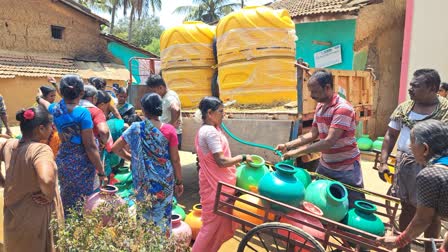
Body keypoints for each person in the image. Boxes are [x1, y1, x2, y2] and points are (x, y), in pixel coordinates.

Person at [379, 69, 448, 252]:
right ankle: (404, 248)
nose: (410, 89)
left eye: (415, 86)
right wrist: (383, 162)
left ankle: (430, 249)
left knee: (431, 215)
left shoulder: (446, 111)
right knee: (407, 208)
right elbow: (390, 135)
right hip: (405, 167)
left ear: (432, 88)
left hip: (432, 165)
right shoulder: (404, 108)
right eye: (410, 85)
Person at [275, 69, 364, 206]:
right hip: (325, 165)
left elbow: (329, 142)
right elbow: (313, 134)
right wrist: (288, 145)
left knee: (352, 206)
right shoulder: (320, 107)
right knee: (320, 202)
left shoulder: (343, 108)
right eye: (310, 91)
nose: (311, 95)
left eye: (314, 91)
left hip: (346, 168)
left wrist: (295, 153)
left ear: (327, 88)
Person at [111, 93, 183, 232]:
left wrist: (131, 158)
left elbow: (115, 148)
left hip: (142, 181)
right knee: (163, 215)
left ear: (143, 110)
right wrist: (179, 182)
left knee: (144, 214)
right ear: (160, 108)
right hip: (164, 181)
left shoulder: (135, 128)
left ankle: (145, 242)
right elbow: (175, 159)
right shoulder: (169, 130)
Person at [37, 74, 107, 214]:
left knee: (67, 197)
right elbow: (90, 146)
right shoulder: (83, 113)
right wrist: (101, 171)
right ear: (81, 93)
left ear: (61, 92)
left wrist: (39, 97)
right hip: (82, 163)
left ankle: (67, 225)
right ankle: (80, 229)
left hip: (63, 159)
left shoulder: (56, 109)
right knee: (84, 201)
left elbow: (46, 104)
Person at [192, 96, 252, 252]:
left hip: (218, 184)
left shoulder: (212, 129)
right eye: (221, 111)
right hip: (215, 187)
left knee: (217, 227)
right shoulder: (209, 132)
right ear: (210, 113)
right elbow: (221, 161)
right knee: (210, 228)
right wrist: (242, 158)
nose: (223, 114)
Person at [0, 106, 63, 251]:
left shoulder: (9, 145)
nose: (52, 130)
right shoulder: (40, 149)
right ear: (41, 128)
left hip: (14, 218)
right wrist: (49, 195)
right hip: (36, 219)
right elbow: (46, 180)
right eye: (50, 127)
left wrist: (2, 181)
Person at [146, 75, 183, 150]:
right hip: (168, 134)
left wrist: (171, 125)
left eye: (154, 91)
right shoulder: (166, 95)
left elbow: (176, 109)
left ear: (161, 87)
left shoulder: (169, 97)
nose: (154, 94)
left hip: (170, 135)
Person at [80, 85, 111, 149]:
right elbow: (103, 131)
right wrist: (107, 145)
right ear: (94, 98)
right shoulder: (96, 111)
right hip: (89, 150)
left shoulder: (69, 108)